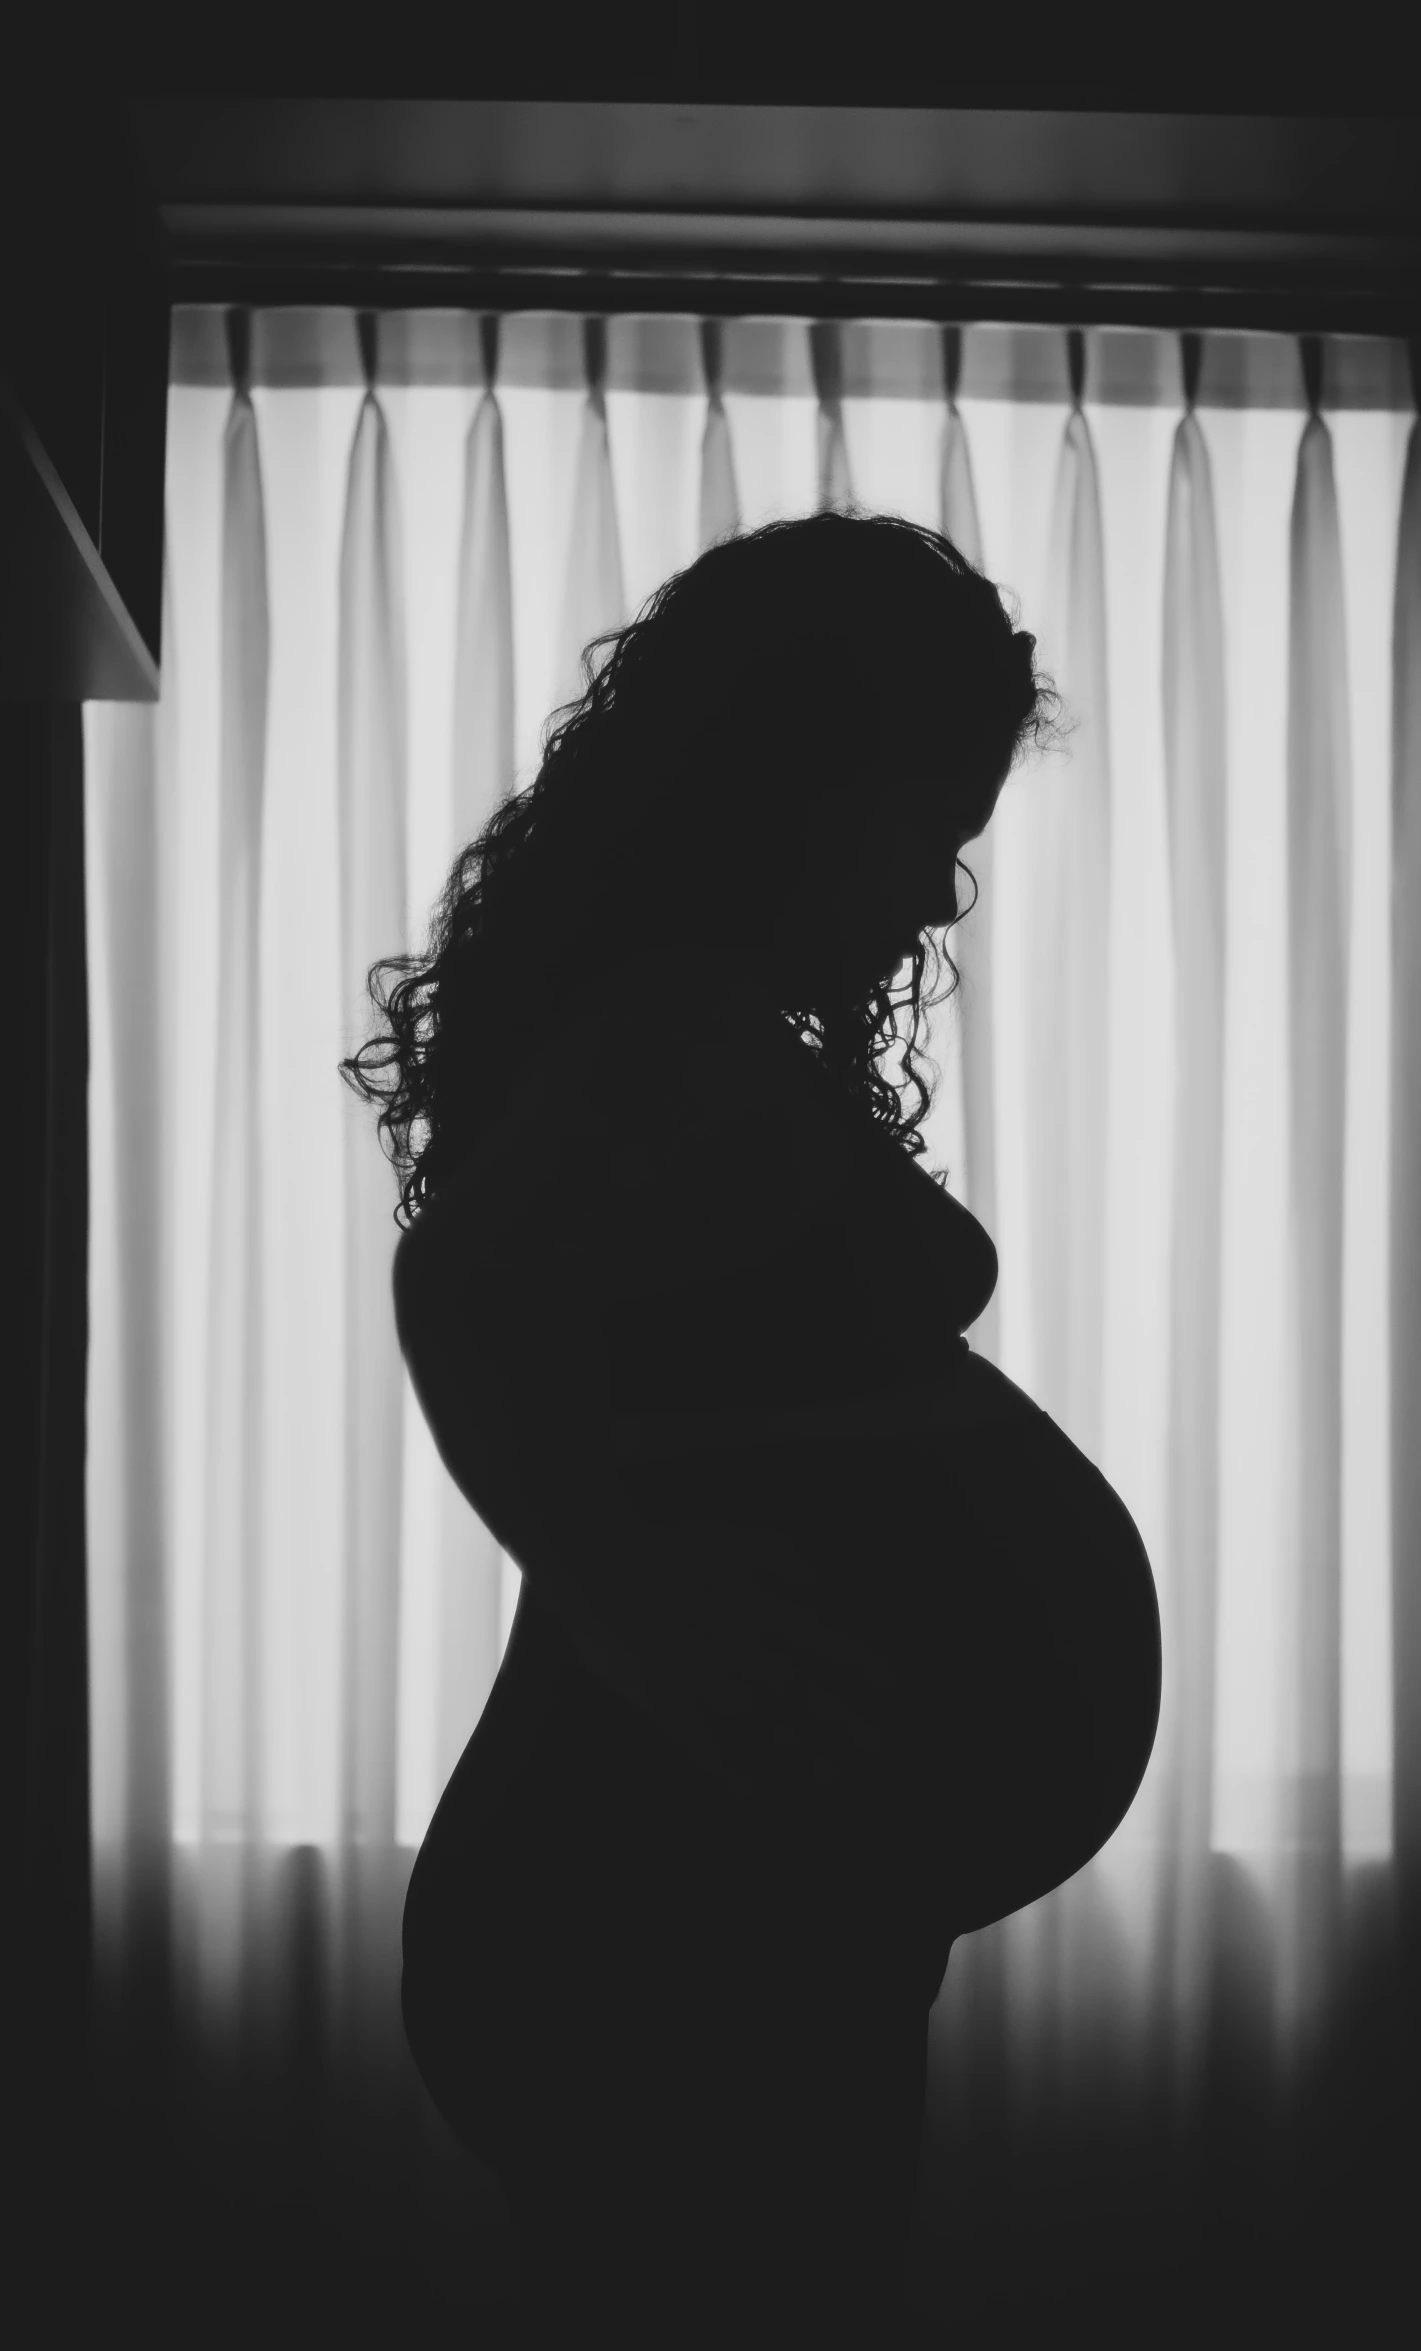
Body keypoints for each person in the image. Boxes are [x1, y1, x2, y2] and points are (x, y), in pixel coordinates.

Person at [339, 507, 1161, 2343]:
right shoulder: (654, 1039)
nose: (942, 895)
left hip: (744, 1884)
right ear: (796, 782)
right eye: (930, 828)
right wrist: (646, 1616)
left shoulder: (691, 1036)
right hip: (654, 1901)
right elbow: (458, 1281)